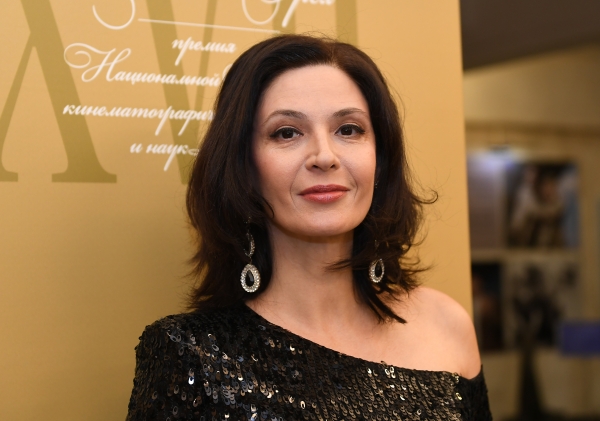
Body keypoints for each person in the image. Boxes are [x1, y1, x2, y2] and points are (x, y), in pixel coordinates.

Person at [126, 34, 492, 420]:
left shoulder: (445, 324)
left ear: (379, 160)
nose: (324, 156)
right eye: (287, 132)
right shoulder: (193, 355)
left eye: (348, 129)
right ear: (244, 168)